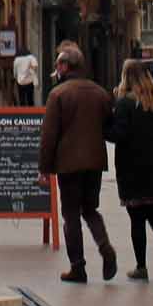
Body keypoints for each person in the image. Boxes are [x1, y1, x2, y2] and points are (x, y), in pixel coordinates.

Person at [37, 41, 116, 282]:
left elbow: (49, 135)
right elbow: (109, 127)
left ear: (65, 66)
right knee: (90, 210)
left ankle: (78, 266)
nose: (56, 68)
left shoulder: (58, 94)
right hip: (94, 162)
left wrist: (44, 168)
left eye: (58, 64)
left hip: (68, 164)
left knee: (71, 214)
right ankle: (105, 248)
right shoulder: (100, 93)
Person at [108, 58, 153, 280]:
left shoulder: (125, 104)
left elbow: (119, 134)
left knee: (137, 220)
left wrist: (103, 128)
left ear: (125, 77)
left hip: (132, 172)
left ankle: (141, 266)